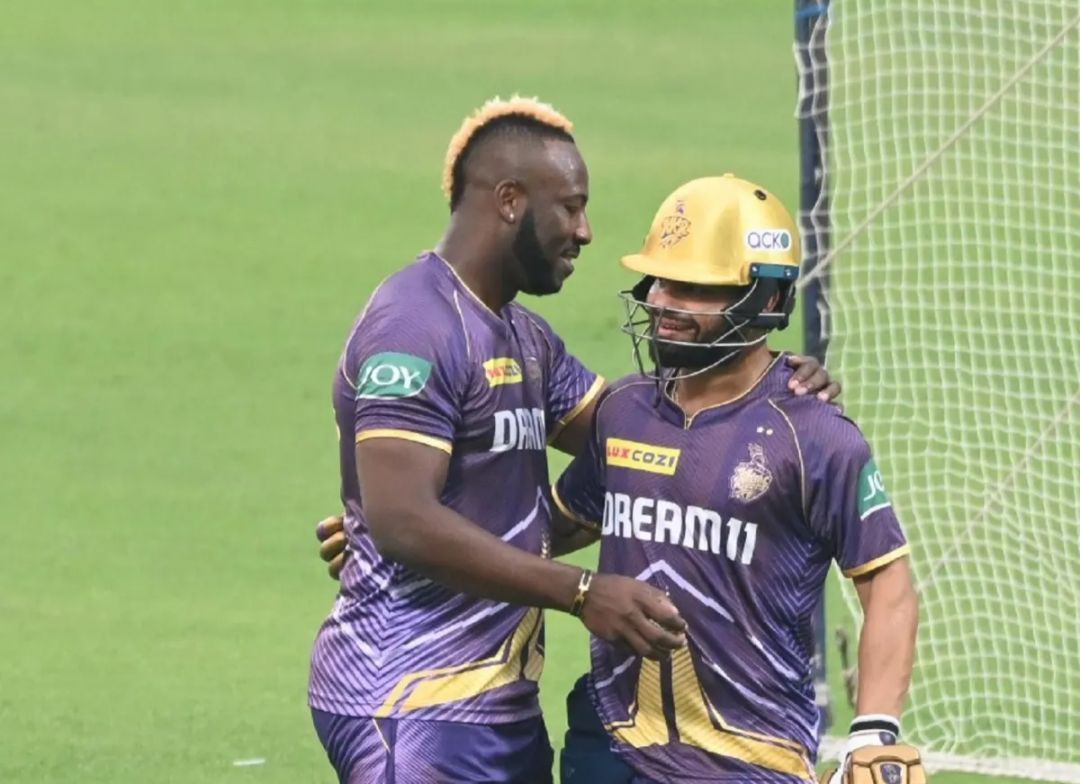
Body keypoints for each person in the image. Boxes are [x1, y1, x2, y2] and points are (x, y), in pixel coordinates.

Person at [310, 94, 840, 784]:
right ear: (508, 200)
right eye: (570, 206)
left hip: (494, 702)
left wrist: (770, 387)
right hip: (408, 697)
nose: (586, 232)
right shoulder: (415, 327)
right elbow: (405, 521)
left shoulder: (526, 339)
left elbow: (644, 443)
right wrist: (584, 590)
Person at [551, 175, 924, 783]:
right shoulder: (625, 411)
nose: (665, 302)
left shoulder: (818, 438)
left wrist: (873, 732)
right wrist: (404, 534)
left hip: (750, 760)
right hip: (612, 745)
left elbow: (887, 586)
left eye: (695, 288)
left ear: (767, 302)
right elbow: (552, 526)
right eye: (660, 280)